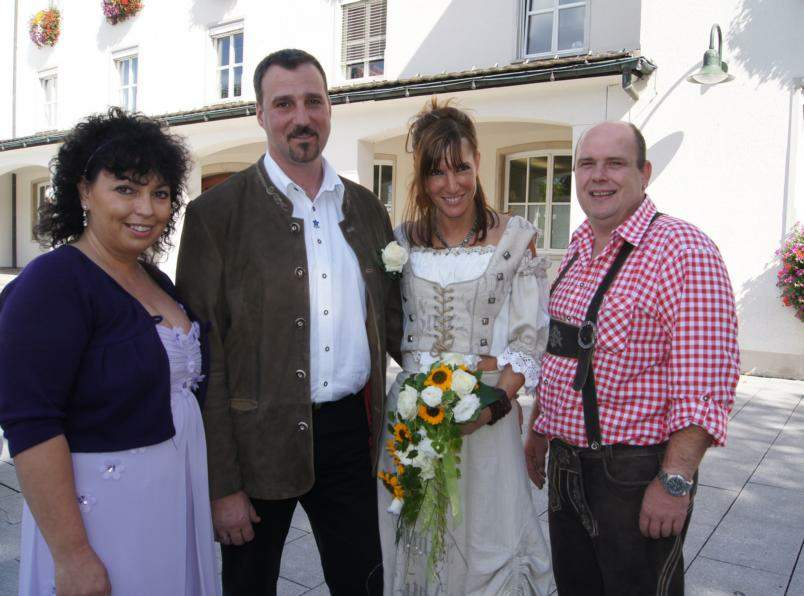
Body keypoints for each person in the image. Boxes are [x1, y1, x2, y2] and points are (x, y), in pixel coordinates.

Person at [175, 48, 403, 596]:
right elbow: (204, 361)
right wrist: (222, 484)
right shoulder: (216, 216)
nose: (302, 117)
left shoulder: (366, 209)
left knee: (365, 583)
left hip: (351, 437)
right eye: (283, 104)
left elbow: (397, 321)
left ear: (330, 108)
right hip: (256, 443)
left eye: (313, 102)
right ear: (259, 113)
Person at [0, 108, 219, 596]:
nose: (147, 208)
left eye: (160, 193)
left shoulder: (154, 279)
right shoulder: (52, 283)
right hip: (103, 516)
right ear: (84, 191)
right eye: (126, 189)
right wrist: (73, 555)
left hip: (169, 500)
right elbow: (31, 423)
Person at [524, 121, 740, 595]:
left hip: (633, 476)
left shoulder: (683, 249)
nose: (599, 176)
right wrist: (539, 429)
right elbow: (561, 353)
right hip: (567, 468)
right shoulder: (579, 248)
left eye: (615, 163)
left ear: (644, 173)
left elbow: (704, 384)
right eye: (587, 164)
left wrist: (675, 480)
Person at [377, 98, 553, 595]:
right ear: (421, 178)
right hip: (410, 420)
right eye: (436, 171)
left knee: (485, 545)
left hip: (486, 421)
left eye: (461, 167)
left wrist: (492, 404)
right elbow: (387, 323)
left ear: (477, 162)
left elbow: (528, 339)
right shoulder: (400, 242)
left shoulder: (514, 238)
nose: (450, 184)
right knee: (415, 539)